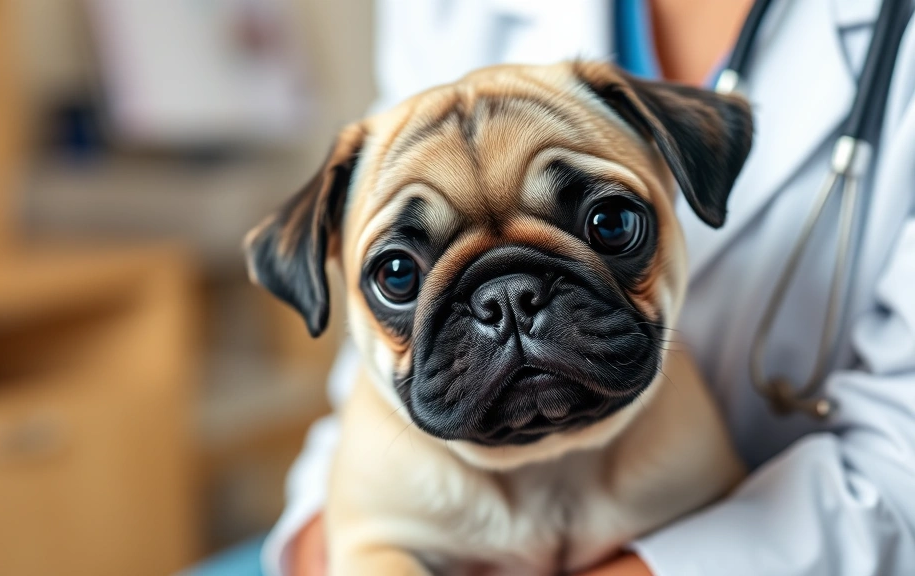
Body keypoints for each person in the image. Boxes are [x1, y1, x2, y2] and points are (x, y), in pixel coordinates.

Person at [255, 0, 915, 574]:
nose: (509, 309)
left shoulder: (692, 447)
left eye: (607, 226)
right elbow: (356, 534)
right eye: (400, 276)